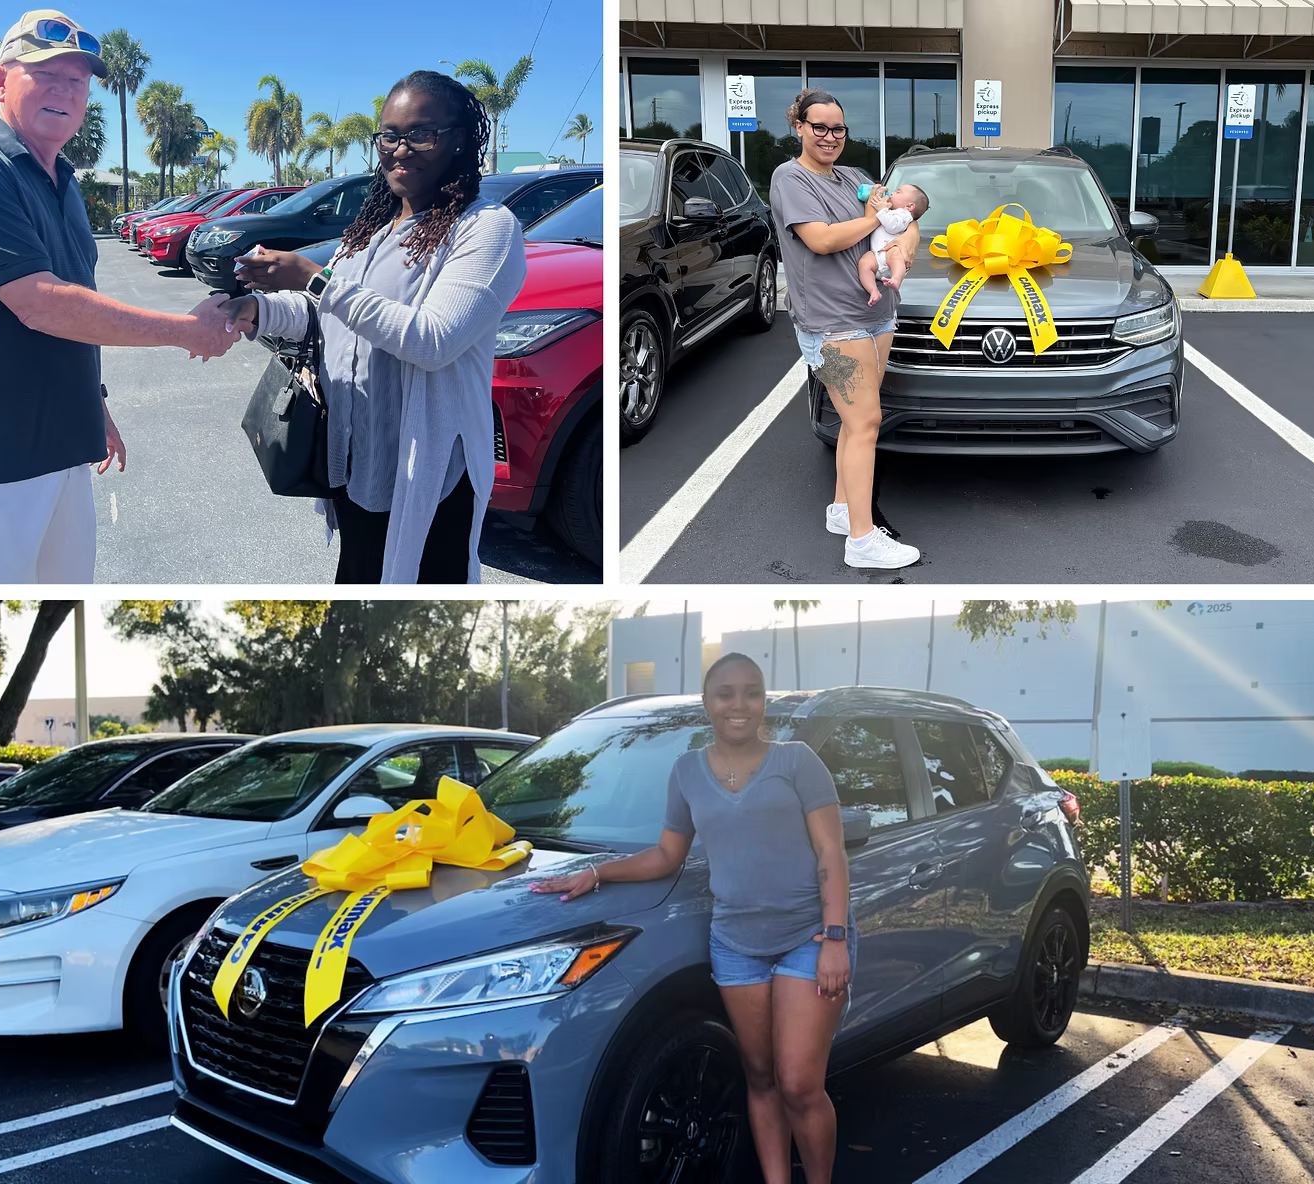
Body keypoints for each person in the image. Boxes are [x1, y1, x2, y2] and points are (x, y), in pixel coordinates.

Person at [0, 9, 241, 584]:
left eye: (78, 80)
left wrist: (97, 406)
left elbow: (77, 307)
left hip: (65, 448)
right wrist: (185, 330)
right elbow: (41, 303)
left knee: (67, 603)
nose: (65, 90)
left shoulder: (64, 183)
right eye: (46, 73)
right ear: (1, 81)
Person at [530, 653, 856, 1184]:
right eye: (726, 693)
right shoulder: (686, 772)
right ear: (708, 703)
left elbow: (831, 854)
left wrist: (836, 938)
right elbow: (666, 855)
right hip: (736, 945)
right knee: (760, 1076)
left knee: (799, 1083)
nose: (739, 704)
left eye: (751, 692)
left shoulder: (797, 762)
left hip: (808, 937)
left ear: (763, 700)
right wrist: (598, 874)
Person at [219, 70, 527, 585]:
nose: (399, 149)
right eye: (388, 135)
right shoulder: (373, 233)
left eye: (420, 134)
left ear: (458, 141)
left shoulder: (486, 228)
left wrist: (315, 279)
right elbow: (324, 314)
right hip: (356, 462)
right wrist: (258, 311)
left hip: (428, 472)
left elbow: (433, 340)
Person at [768, 88, 922, 571]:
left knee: (857, 422)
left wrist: (904, 243)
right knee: (864, 424)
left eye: (838, 129)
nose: (830, 137)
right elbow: (822, 239)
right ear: (799, 126)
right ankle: (862, 540)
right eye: (820, 127)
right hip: (832, 325)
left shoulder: (854, 177)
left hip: (876, 316)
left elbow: (906, 218)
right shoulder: (789, 179)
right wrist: (876, 220)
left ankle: (842, 509)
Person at [857, 183, 928, 306]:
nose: (892, 193)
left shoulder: (904, 215)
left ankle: (896, 279)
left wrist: (882, 209)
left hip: (890, 259)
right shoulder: (890, 211)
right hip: (877, 256)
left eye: (898, 192)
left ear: (909, 206)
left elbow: (893, 226)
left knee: (896, 254)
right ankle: (873, 290)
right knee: (864, 262)